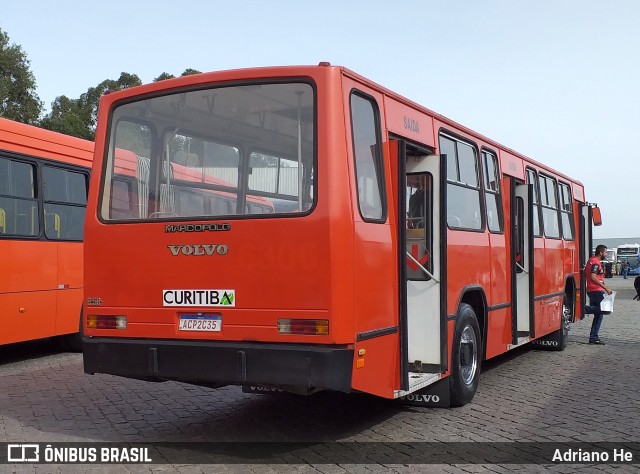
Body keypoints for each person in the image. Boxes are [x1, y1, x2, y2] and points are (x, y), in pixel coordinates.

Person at [583, 245, 613, 345]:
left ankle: (593, 338)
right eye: (605, 252)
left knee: (599, 315)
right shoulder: (595, 262)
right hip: (596, 291)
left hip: (592, 290)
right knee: (605, 310)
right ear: (601, 253)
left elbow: (587, 274)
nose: (606, 254)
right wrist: (605, 288)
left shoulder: (590, 260)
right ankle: (582, 309)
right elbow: (593, 277)